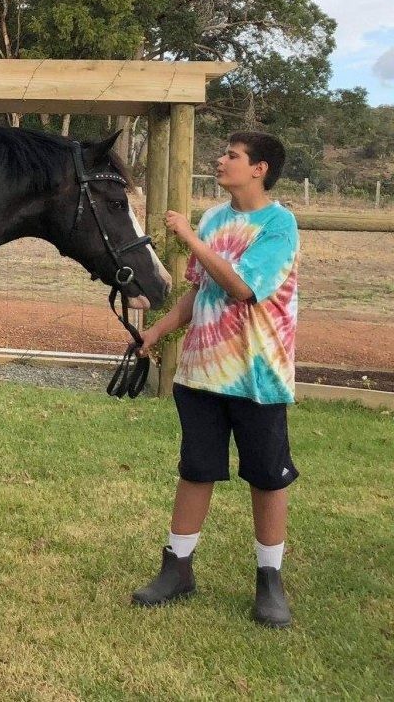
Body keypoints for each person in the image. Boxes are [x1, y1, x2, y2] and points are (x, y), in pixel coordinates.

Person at [131, 131, 299, 628]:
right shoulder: (215, 219)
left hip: (258, 378)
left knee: (268, 478)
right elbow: (200, 294)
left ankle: (270, 581)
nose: (220, 160)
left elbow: (241, 288)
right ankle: (177, 568)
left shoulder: (279, 224)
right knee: (196, 469)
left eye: (232, 156)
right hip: (201, 376)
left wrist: (189, 238)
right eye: (222, 152)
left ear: (260, 168)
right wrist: (156, 333)